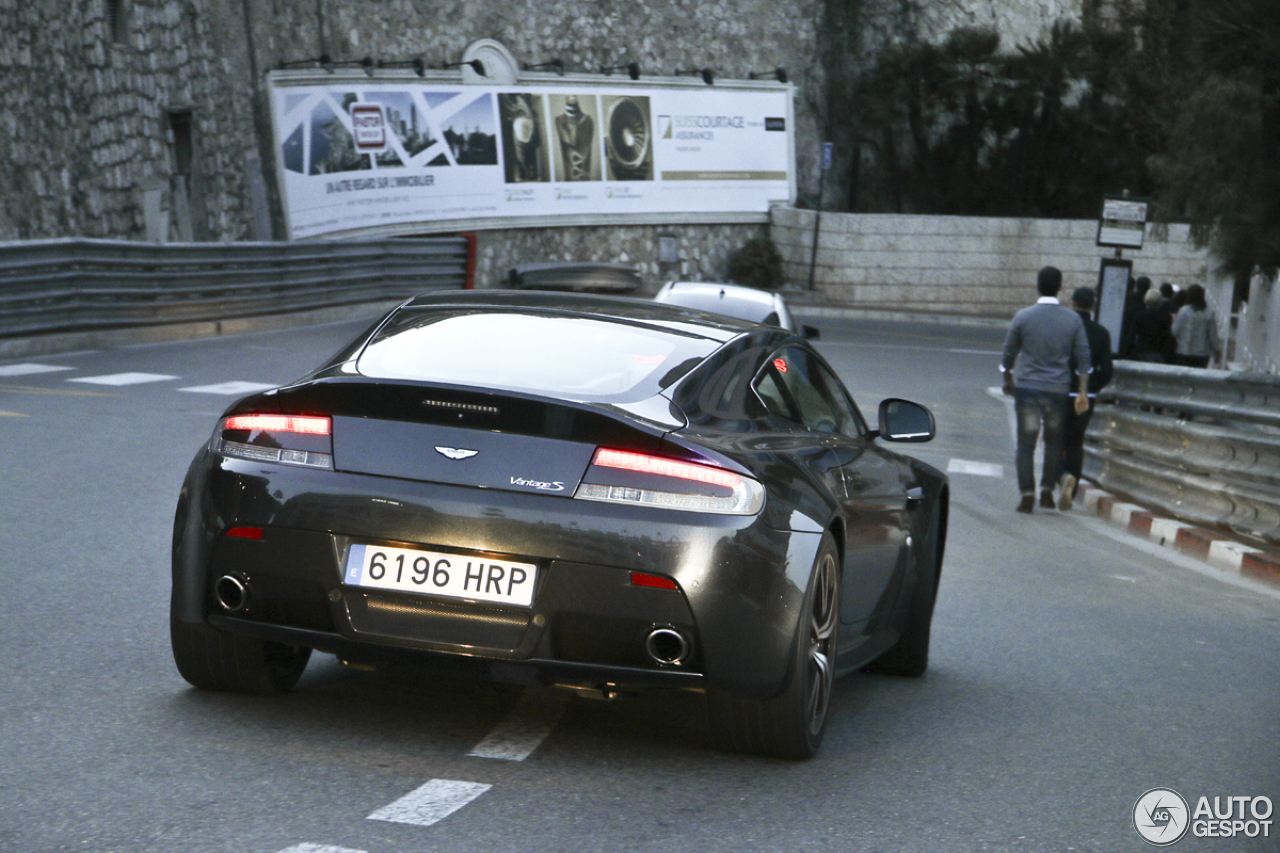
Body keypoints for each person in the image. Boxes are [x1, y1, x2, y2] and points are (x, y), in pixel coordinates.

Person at [1001, 266, 1091, 514]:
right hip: (1057, 390)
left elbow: (1009, 352)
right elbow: (1084, 358)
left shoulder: (1023, 316)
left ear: (1038, 286)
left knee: (1026, 443)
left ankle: (1027, 494)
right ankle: (1047, 491)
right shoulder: (1072, 319)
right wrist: (1082, 390)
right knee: (1053, 441)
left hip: (1028, 388)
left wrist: (1008, 378)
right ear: (1060, 287)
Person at [1058, 286, 1113, 510]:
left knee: (1056, 440)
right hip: (1084, 396)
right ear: (1093, 305)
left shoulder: (1063, 328)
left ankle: (1061, 478)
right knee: (1076, 442)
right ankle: (1073, 482)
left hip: (1061, 391)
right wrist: (1092, 387)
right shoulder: (1101, 333)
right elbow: (1107, 370)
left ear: (1072, 303)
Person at [1171, 283, 1221, 368]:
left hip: (1184, 351)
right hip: (1202, 354)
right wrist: (1217, 350)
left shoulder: (1183, 311)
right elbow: (1213, 335)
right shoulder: (1209, 313)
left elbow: (1174, 331)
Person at [1124, 288, 1171, 362]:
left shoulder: (1139, 316)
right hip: (1157, 352)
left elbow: (1132, 335)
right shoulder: (1165, 318)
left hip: (1141, 351)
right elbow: (1166, 337)